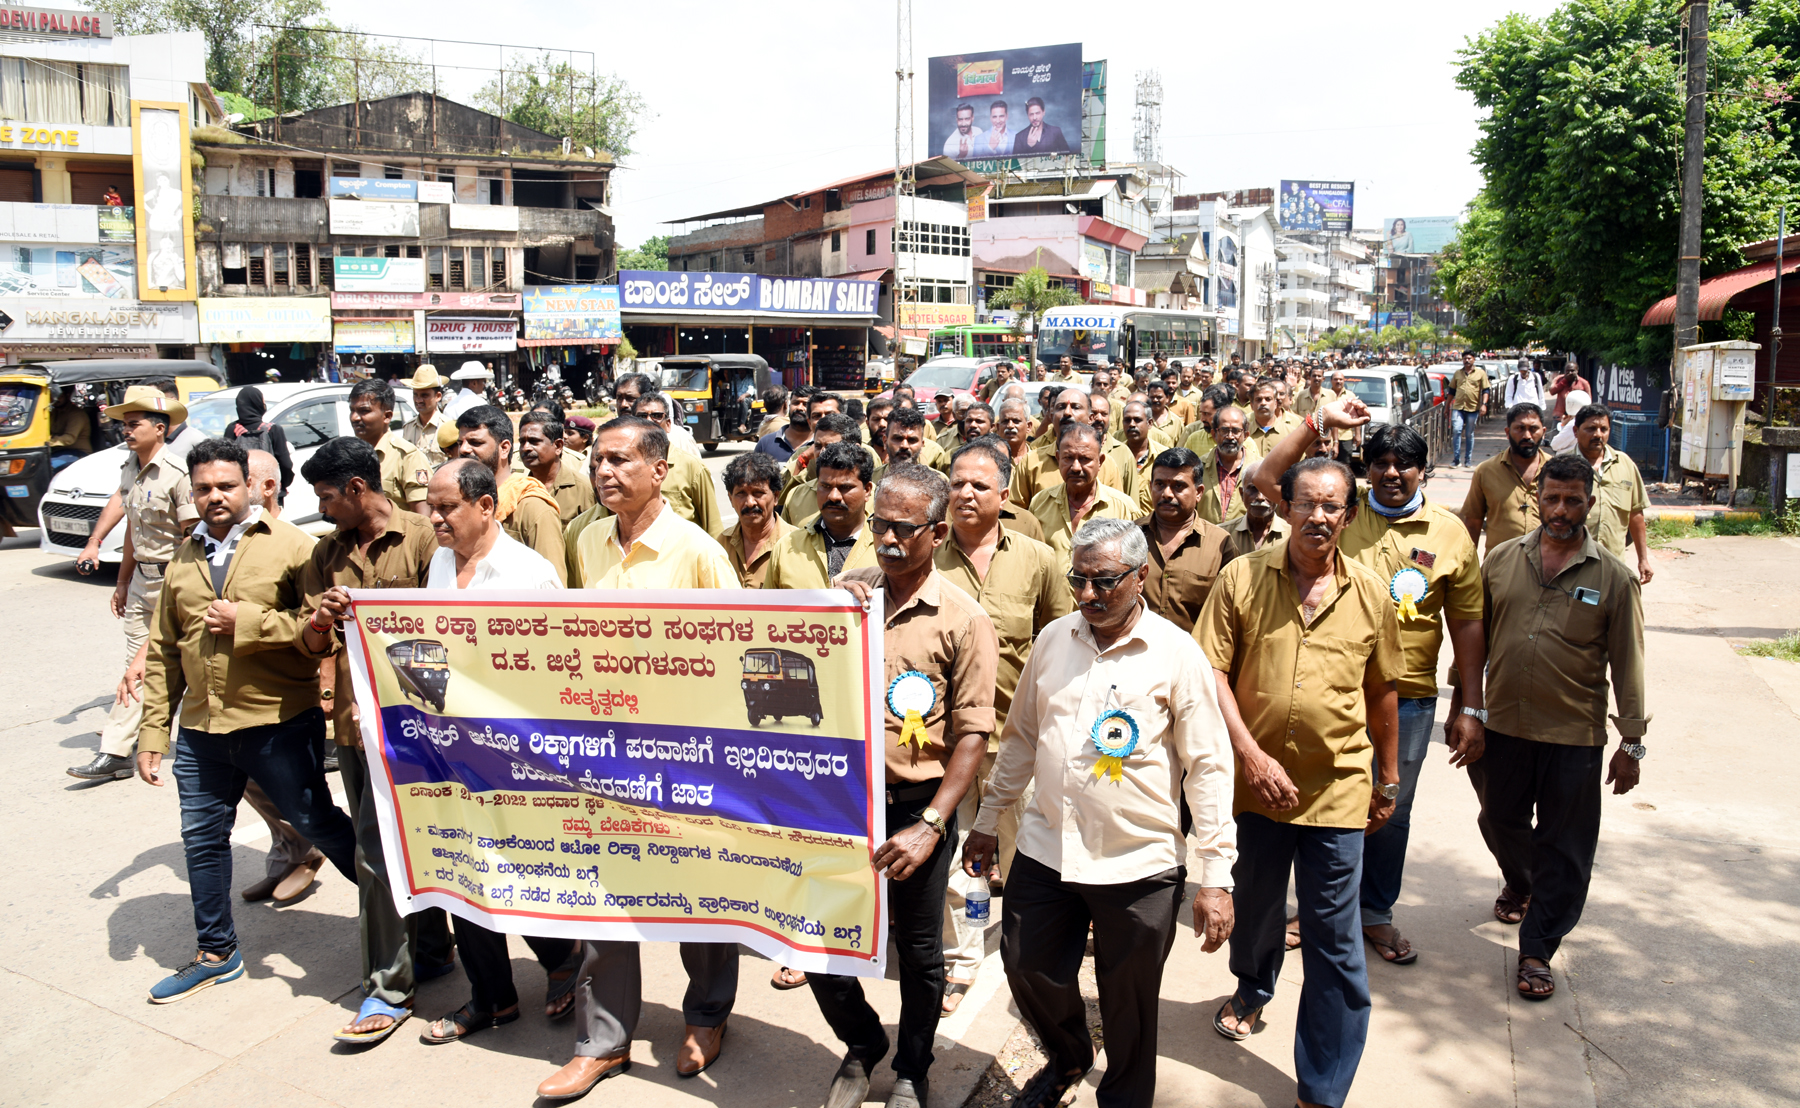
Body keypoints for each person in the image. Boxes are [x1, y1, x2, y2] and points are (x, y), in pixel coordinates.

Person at [969, 516, 1236, 1108]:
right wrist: (989, 819)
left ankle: (1123, 1096)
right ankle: (1067, 1058)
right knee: (1027, 965)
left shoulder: (1177, 654)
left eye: (1105, 582)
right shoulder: (1052, 640)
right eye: (1078, 581)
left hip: (1139, 863)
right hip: (1047, 848)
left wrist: (1217, 877)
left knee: (1129, 1000)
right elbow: (1019, 740)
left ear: (1141, 576)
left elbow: (1210, 767)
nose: (1088, 595)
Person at [541, 418, 741, 1099]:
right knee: (604, 897)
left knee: (698, 897)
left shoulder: (700, 554)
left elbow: (735, 657)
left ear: (660, 471)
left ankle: (708, 1015)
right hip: (603, 755)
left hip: (684, 757)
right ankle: (604, 1040)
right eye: (598, 459)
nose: (603, 471)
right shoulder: (586, 540)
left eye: (620, 460)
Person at [1197, 455, 1403, 1108]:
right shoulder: (1242, 578)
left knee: (1334, 940)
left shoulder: (1372, 592)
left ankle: (1323, 1086)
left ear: (1349, 514)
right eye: (1306, 503)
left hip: (1337, 789)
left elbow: (1384, 691)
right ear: (1283, 507)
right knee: (1256, 909)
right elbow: (1212, 675)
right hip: (1254, 787)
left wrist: (1389, 777)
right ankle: (1254, 987)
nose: (1318, 516)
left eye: (1332, 505)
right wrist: (1251, 757)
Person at [1257, 402, 1488, 968]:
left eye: (1403, 464)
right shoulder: (1339, 511)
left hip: (1406, 698)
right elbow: (1265, 478)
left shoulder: (1450, 532)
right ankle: (1315, 912)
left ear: (1421, 471)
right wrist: (1319, 421)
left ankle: (1374, 913)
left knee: (1390, 807)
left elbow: (1469, 622)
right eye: (1379, 462)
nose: (1390, 472)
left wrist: (1472, 705)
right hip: (1326, 689)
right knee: (1317, 801)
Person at [134, 438, 359, 1003]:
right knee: (201, 840)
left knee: (320, 823)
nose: (214, 496)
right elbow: (165, 648)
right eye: (203, 487)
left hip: (276, 722)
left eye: (225, 486)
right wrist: (152, 732)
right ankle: (216, 952)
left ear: (252, 487)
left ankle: (412, 928)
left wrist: (249, 621)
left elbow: (320, 634)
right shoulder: (185, 556)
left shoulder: (293, 547)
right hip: (203, 731)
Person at [812, 463, 999, 1108]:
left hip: (916, 808)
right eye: (879, 526)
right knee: (819, 941)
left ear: (937, 531)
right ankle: (863, 1044)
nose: (886, 540)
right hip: (839, 800)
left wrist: (931, 826)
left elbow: (973, 733)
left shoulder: (964, 619)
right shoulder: (847, 594)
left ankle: (914, 1069)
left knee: (919, 954)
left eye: (902, 528)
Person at [1455, 453, 1649, 1002]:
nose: (1561, 510)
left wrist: (1631, 743)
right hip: (1505, 726)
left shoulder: (1613, 577)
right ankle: (1523, 882)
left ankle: (1538, 947)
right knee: (1499, 818)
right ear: (1537, 498)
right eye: (1552, 498)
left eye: (1573, 500)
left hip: (1574, 736)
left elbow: (1629, 665)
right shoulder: (1499, 560)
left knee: (1566, 845)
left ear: (1591, 503)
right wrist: (1464, 708)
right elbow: (1476, 639)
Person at [412, 459, 578, 1051]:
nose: (435, 518)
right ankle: (492, 996)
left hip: (514, 754)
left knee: (518, 867)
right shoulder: (438, 562)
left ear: (486, 506)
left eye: (447, 507)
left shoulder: (528, 575)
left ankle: (561, 954)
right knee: (462, 870)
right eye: (429, 506)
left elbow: (553, 669)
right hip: (447, 748)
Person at [294, 437, 453, 1045]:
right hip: (356, 732)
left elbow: (446, 633)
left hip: (418, 726)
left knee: (415, 846)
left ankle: (391, 985)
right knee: (379, 850)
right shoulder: (326, 553)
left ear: (358, 489)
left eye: (328, 497)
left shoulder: (423, 539)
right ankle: (418, 961)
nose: (323, 508)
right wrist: (321, 620)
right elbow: (311, 647)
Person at [932, 440, 1071, 1012]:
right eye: (958, 483)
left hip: (1021, 740)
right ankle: (960, 961)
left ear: (1004, 495)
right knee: (959, 856)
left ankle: (1028, 957)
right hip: (945, 741)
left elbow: (1065, 643)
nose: (966, 493)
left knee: (1027, 853)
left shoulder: (1039, 559)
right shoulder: (925, 553)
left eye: (980, 485)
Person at [68, 387, 198, 782]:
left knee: (151, 668)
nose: (126, 431)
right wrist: (123, 580)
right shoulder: (131, 467)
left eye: (134, 424)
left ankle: (118, 748)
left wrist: (179, 591)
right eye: (124, 425)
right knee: (137, 666)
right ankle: (130, 745)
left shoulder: (177, 474)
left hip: (172, 584)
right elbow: (131, 526)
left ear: (159, 429)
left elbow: (193, 540)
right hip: (142, 580)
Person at [452, 404, 567, 582]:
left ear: (505, 448)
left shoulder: (531, 507)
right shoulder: (463, 503)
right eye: (461, 443)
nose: (464, 450)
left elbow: (552, 590)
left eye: (475, 442)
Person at [1138, 447, 1234, 633]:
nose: (1166, 493)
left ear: (1198, 492)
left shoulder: (1221, 544)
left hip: (1195, 657)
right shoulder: (1129, 535)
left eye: (1178, 486)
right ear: (1151, 487)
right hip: (1134, 654)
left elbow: (1228, 614)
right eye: (1159, 484)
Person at [1028, 422, 1139, 580]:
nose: (1075, 467)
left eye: (1085, 459)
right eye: (1068, 458)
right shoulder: (1039, 503)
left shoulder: (1124, 508)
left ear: (1100, 461)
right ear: (1058, 458)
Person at [764, 441, 878, 589]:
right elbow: (769, 610)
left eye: (845, 487)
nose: (833, 496)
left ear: (867, 490)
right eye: (825, 486)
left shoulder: (883, 546)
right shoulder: (787, 547)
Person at [1566, 404, 1653, 583]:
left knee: (1614, 609)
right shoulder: (1562, 466)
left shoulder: (1625, 464)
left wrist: (1643, 559)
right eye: (1591, 428)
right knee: (1578, 609)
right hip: (1571, 567)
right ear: (1576, 431)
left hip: (1614, 566)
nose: (1598, 434)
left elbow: (1636, 514)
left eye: (1603, 429)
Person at [1462, 402, 1551, 551]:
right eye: (1520, 429)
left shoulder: (1557, 470)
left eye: (1533, 429)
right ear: (1507, 432)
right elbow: (1473, 523)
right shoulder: (1486, 471)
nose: (1527, 435)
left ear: (1543, 431)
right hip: (1500, 569)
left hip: (1547, 568)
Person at [348, 379, 428, 513]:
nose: (355, 418)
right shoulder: (349, 455)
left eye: (364, 411)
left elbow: (422, 519)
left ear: (387, 416)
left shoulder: (407, 457)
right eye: (352, 410)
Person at [716, 451, 792, 589]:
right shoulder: (720, 545)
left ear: (776, 497)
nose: (750, 502)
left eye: (758, 493)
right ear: (730, 498)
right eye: (741, 494)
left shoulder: (796, 545)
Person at [519, 409, 594, 524]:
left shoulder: (584, 490)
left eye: (534, 441)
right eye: (522, 442)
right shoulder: (517, 489)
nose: (525, 448)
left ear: (558, 446)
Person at [225, 386, 294, 502]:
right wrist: (282, 484)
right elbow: (285, 464)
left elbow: (226, 463)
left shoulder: (232, 430)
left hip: (242, 494)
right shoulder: (273, 430)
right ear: (258, 404)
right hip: (270, 492)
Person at [1198, 405, 1253, 525]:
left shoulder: (1259, 468)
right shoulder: (1198, 467)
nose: (1230, 436)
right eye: (1224, 430)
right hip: (1206, 540)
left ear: (1246, 435)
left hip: (1244, 541)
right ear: (1214, 434)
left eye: (1236, 431)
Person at [1222, 480, 1288, 561]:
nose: (1260, 497)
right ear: (1242, 493)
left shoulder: (1293, 535)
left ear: (1278, 494)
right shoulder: (1222, 534)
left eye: (1267, 489)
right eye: (1253, 489)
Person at [401, 365, 450, 467]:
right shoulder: (408, 428)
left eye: (424, 395)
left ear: (438, 396)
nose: (418, 400)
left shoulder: (447, 427)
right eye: (415, 395)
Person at [1450, 351, 1491, 468]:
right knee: (1457, 430)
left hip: (1473, 408)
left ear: (1474, 359)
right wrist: (1448, 406)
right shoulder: (1457, 373)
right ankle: (1456, 459)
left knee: (1469, 434)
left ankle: (1468, 460)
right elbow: (1451, 391)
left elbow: (1486, 390)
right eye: (1464, 358)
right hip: (1458, 407)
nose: (1467, 360)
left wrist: (1484, 404)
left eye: (1469, 358)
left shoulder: (1480, 373)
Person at [48, 384, 91, 465]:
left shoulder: (76, 414)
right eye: (52, 396)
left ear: (67, 395)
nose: (55, 399)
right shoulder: (53, 413)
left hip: (78, 452)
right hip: (57, 451)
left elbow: (69, 438)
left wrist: (49, 442)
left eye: (59, 396)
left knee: (50, 466)